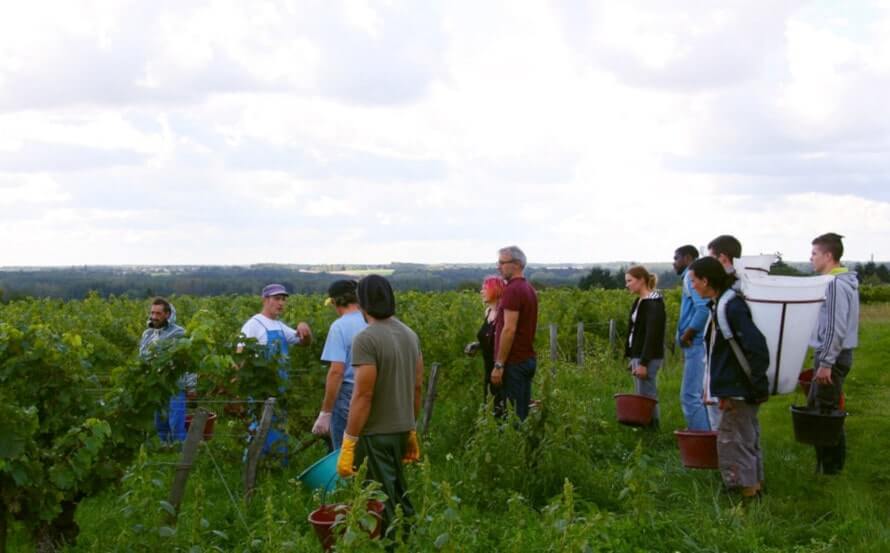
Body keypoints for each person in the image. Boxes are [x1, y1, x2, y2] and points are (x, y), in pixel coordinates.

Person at [336, 275, 424, 534]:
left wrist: (349, 441)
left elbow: (363, 395)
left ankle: (393, 544)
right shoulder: (410, 335)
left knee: (380, 504)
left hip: (375, 434)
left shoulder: (366, 339)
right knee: (399, 494)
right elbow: (417, 386)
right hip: (400, 431)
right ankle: (411, 540)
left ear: (362, 303)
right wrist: (410, 428)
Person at [690, 256, 769, 498]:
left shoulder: (730, 307)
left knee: (735, 443)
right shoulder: (723, 304)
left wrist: (745, 386)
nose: (692, 285)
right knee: (746, 439)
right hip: (738, 387)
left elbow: (756, 346)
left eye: (694, 280)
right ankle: (755, 490)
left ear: (705, 280)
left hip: (738, 389)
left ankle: (747, 498)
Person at [238, 283, 312, 456]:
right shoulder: (254, 324)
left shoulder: (279, 326)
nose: (281, 303)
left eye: (283, 299)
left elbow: (303, 342)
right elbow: (240, 354)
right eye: (277, 299)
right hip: (260, 389)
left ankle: (277, 463)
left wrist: (305, 330)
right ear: (265, 300)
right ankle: (254, 463)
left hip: (280, 387)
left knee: (278, 428)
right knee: (259, 426)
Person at [808, 233, 859, 475]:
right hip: (835, 354)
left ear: (828, 256)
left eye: (814, 253)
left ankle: (830, 470)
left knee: (825, 412)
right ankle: (828, 466)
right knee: (822, 407)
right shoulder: (840, 282)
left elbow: (834, 328)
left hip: (833, 356)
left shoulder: (835, 285)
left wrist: (826, 362)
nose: (810, 258)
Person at [312, 280, 367, 451]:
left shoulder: (339, 327)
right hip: (373, 391)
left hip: (348, 394)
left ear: (335, 302)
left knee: (345, 451)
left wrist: (325, 412)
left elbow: (336, 372)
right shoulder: (371, 321)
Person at [490, 245, 539, 422]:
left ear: (517, 264)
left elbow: (509, 329)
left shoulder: (512, 290)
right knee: (522, 413)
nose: (498, 267)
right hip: (526, 359)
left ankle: (518, 441)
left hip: (514, 362)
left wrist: (499, 365)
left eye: (502, 263)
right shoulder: (528, 288)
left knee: (513, 419)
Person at [705, 234, 743, 428]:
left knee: (730, 432)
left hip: (729, 383)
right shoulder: (728, 292)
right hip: (723, 380)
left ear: (723, 258)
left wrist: (724, 389)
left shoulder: (732, 296)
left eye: (711, 258)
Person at [673, 245, 712, 431]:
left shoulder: (691, 277)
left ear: (688, 258)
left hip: (696, 342)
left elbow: (703, 308)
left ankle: (702, 439)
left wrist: (687, 334)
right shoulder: (692, 276)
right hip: (698, 343)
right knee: (700, 395)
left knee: (690, 396)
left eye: (676, 258)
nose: (674, 263)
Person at [140, 297, 189, 444]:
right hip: (157, 386)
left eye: (158, 313)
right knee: (160, 423)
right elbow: (142, 357)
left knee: (176, 424)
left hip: (175, 386)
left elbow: (187, 360)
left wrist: (191, 385)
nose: (154, 317)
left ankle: (181, 453)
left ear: (167, 314)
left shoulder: (179, 333)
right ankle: (165, 451)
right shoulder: (147, 334)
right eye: (152, 313)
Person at [623, 265, 666, 428]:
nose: (627, 285)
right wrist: (632, 356)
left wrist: (643, 363)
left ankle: (652, 428)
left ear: (641, 280)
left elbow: (652, 336)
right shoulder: (640, 301)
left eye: (630, 281)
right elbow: (636, 331)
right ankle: (647, 425)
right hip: (639, 354)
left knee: (647, 395)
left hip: (647, 356)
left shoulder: (653, 304)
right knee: (642, 393)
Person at [464, 275, 506, 415]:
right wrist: (477, 345)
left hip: (501, 369)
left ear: (495, 290)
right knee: (490, 407)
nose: (481, 291)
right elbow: (491, 338)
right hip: (489, 368)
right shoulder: (488, 312)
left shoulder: (503, 314)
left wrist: (499, 367)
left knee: (502, 410)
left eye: (485, 288)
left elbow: (504, 340)